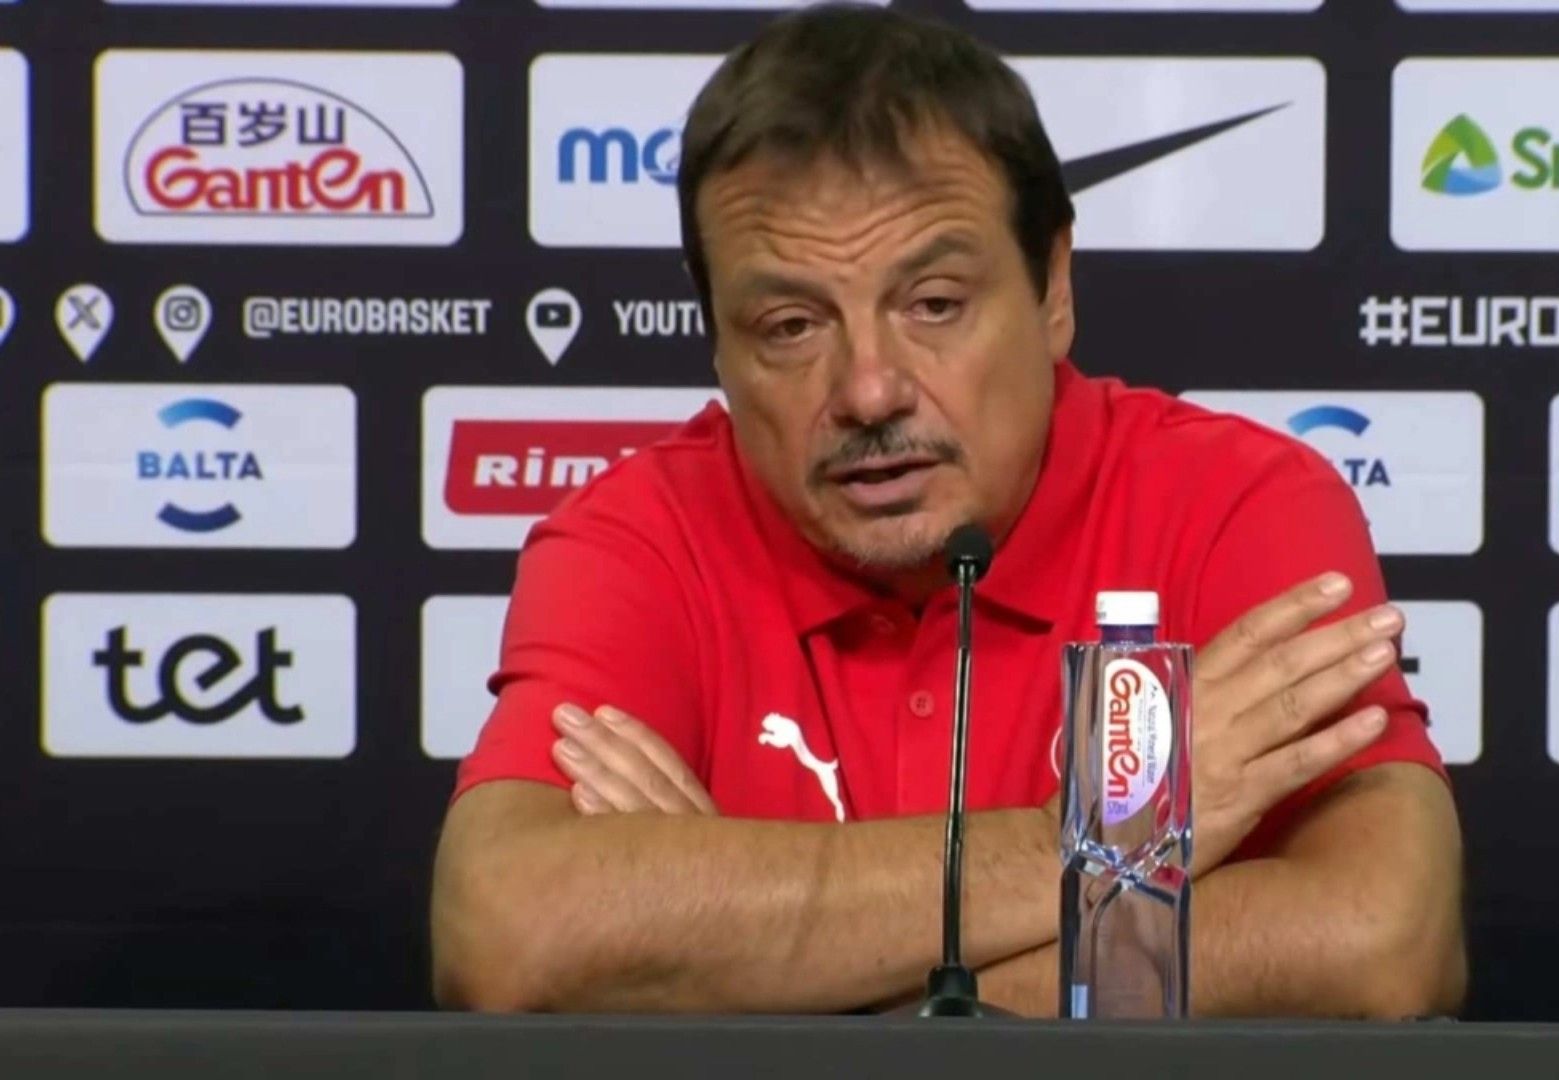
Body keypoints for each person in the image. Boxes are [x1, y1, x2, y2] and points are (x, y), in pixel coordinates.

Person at [430, 2, 1465, 1018]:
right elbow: (512, 934)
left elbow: (1380, 940)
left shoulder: (1237, 504)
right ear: (717, 344)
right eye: (790, 326)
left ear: (1052, 289)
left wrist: (789, 988)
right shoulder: (637, 536)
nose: (869, 391)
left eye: (934, 305)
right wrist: (1081, 845)